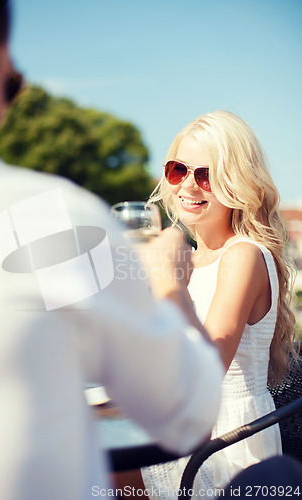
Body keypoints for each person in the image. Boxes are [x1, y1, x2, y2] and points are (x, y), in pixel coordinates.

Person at [0, 3, 224, 500]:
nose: (7, 110)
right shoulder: (44, 217)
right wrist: (170, 285)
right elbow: (187, 414)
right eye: (9, 84)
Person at [141, 110, 300, 499]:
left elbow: (209, 367)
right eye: (179, 170)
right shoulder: (189, 260)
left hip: (227, 444)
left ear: (237, 183)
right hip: (182, 426)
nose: (189, 186)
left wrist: (168, 285)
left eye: (206, 175)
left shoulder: (243, 255)